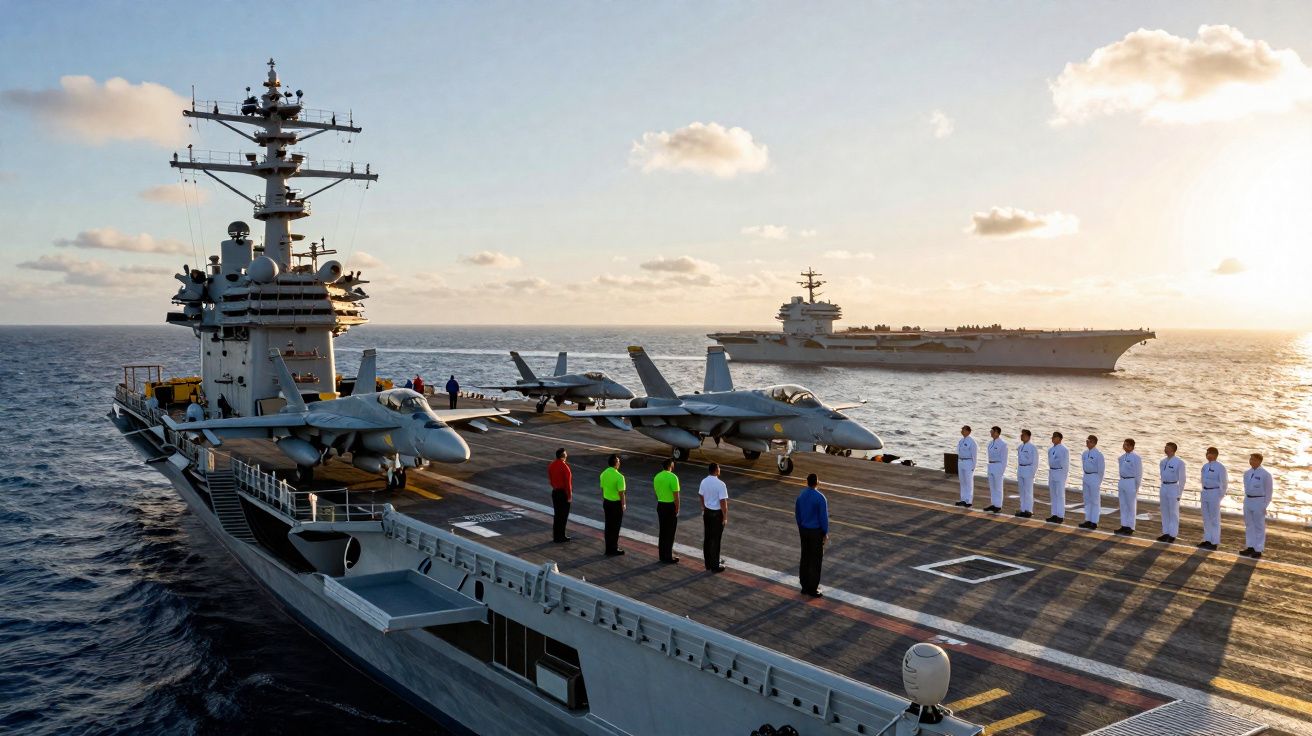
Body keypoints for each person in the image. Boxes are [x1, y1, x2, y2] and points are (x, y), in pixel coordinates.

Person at [795, 473, 829, 597]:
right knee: (815, 560)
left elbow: (797, 514)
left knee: (805, 557)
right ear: (817, 482)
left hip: (804, 530)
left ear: (807, 482)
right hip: (815, 532)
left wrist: (801, 527)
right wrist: (825, 533)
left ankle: (804, 586)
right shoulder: (820, 498)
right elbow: (823, 518)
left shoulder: (801, 496)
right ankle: (813, 588)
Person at [1240, 453, 1273, 559]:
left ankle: (1258, 549)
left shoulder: (1265, 474)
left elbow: (1269, 492)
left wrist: (1264, 505)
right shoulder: (1247, 473)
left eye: (1254, 460)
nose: (1251, 461)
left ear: (1259, 461)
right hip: (1248, 500)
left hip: (1259, 501)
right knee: (1249, 525)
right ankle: (1250, 546)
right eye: (1251, 459)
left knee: (1259, 526)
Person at [698, 463, 729, 572]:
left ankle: (708, 564)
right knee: (716, 540)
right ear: (716, 470)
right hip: (717, 514)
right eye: (719, 468)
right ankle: (715, 565)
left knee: (707, 538)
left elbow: (700, 495)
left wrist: (703, 507)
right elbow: (723, 502)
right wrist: (725, 517)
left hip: (707, 513)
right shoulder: (721, 484)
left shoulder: (703, 481)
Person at [1198, 447, 1227, 550]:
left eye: (1209, 453)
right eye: (1207, 453)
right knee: (1206, 518)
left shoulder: (1220, 467)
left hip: (1214, 493)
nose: (1207, 455)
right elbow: (1202, 480)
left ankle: (1214, 542)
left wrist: (1220, 496)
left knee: (1214, 519)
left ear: (1215, 455)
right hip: (1205, 492)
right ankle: (1207, 540)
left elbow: (1224, 484)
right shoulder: (1205, 467)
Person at [653, 459, 681, 563]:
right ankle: (668, 556)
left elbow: (656, 492)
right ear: (670, 465)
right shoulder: (673, 477)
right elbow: (676, 496)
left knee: (663, 531)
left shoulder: (657, 476)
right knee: (670, 532)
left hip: (660, 505)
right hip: (670, 506)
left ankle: (662, 555)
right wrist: (677, 508)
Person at [1157, 442, 1186, 543]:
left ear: (1173, 450)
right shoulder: (1162, 461)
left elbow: (1182, 479)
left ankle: (1172, 534)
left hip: (1173, 487)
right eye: (1165, 447)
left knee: (1173, 512)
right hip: (1164, 486)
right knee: (1164, 511)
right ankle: (1166, 533)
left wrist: (1179, 493)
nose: (1165, 449)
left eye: (1167, 447)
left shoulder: (1179, 462)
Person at [599, 454, 626, 556]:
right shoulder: (620, 477)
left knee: (608, 526)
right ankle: (613, 548)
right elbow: (621, 493)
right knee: (615, 527)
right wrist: (623, 505)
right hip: (616, 504)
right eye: (618, 461)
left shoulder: (603, 474)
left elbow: (602, 488)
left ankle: (608, 549)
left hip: (606, 502)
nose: (619, 462)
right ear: (615, 463)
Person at [1115, 438, 1142, 536]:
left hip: (1131, 481)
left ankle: (1130, 527)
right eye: (1124, 444)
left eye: (1126, 445)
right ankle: (1124, 525)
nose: (1124, 446)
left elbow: (1138, 474)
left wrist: (1137, 487)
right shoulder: (1121, 457)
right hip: (1122, 481)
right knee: (1123, 505)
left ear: (1131, 446)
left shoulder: (1136, 458)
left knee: (1131, 506)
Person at [1079, 435, 1105, 529]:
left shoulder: (1099, 454)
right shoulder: (1085, 453)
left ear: (1094, 443)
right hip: (1086, 476)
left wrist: (1098, 481)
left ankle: (1094, 522)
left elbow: (1101, 470)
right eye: (1087, 441)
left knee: (1095, 501)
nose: (1087, 443)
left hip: (1094, 477)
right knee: (1087, 500)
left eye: (1089, 441)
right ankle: (1088, 519)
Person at [547, 448, 572, 543]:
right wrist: (569, 496)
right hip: (563, 494)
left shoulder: (551, 465)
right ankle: (561, 536)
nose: (566, 455)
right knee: (563, 516)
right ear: (563, 456)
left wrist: (554, 486)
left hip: (555, 492)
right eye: (565, 454)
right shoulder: (565, 467)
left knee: (557, 515)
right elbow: (568, 484)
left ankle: (556, 536)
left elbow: (550, 478)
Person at [1046, 432, 1069, 524]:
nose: (1052, 438)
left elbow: (1065, 465)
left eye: (1055, 437)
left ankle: (1060, 516)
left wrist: (1064, 477)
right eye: (1052, 437)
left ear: (1059, 439)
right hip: (1052, 471)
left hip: (1060, 472)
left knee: (1060, 495)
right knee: (1053, 494)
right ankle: (1054, 514)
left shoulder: (1064, 450)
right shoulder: (1050, 449)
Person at [1014, 430, 1037, 518]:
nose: (1021, 436)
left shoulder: (1032, 447)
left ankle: (1029, 510)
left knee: (1028, 491)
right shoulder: (1020, 447)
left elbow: (1035, 461)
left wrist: (1032, 473)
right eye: (1021, 434)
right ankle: (1023, 509)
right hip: (1021, 468)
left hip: (1028, 469)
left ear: (1028, 436)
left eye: (1023, 435)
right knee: (1022, 491)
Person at [985, 426, 1007, 513]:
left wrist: (1002, 470)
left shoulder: (1003, 444)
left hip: (998, 465)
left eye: (992, 431)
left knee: (998, 487)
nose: (991, 432)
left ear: (997, 432)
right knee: (992, 487)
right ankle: (993, 504)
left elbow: (1004, 459)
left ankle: (998, 505)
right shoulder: (990, 443)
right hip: (991, 465)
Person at [955, 425, 976, 508]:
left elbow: (974, 455)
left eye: (963, 430)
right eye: (962, 430)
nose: (962, 431)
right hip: (961, 462)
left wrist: (973, 466)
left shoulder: (972, 442)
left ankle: (969, 501)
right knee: (962, 482)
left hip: (968, 462)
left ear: (968, 431)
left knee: (968, 482)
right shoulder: (961, 441)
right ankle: (963, 499)